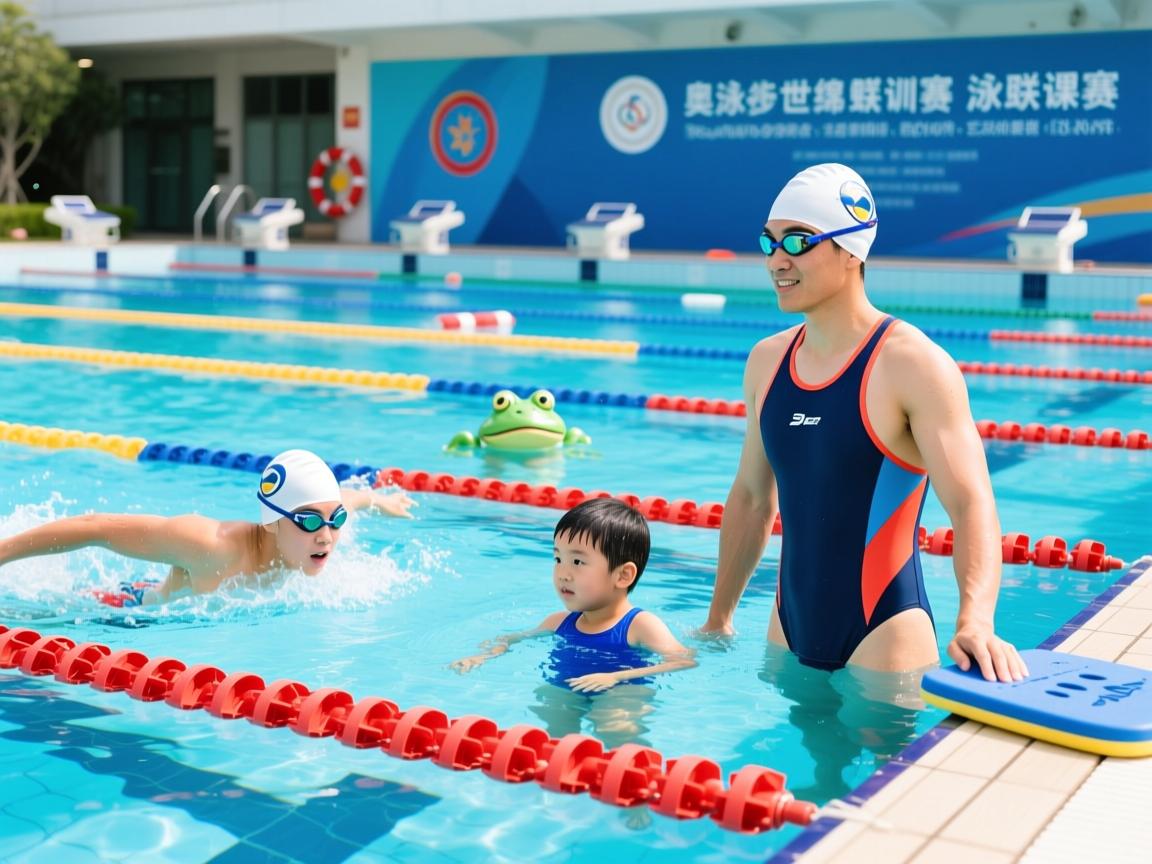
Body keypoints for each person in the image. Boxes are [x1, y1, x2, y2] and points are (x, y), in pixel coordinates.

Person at [701, 163, 1028, 683]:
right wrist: (718, 620)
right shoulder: (767, 362)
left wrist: (976, 620)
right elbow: (751, 498)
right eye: (769, 243)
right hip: (787, 629)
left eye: (798, 242)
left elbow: (971, 503)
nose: (778, 260)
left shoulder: (912, 364)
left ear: (851, 250)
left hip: (885, 638)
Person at [0, 449, 415, 605]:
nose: (326, 535)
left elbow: (347, 498)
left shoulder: (310, 538)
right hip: (124, 614)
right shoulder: (210, 545)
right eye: (308, 521)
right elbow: (96, 527)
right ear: (272, 522)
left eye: (335, 520)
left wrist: (381, 501)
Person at [452, 497, 696, 694]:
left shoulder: (640, 626)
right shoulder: (557, 622)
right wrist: (482, 656)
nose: (563, 574)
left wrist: (615, 677)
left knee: (617, 721)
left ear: (623, 575)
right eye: (558, 559)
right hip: (565, 685)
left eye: (577, 561)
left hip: (623, 690)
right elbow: (508, 639)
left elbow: (683, 661)